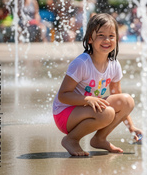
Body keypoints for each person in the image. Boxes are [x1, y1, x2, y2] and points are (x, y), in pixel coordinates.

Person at [52, 13, 142, 156]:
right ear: (89, 39)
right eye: (101, 35)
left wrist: (131, 127)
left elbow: (117, 96)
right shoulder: (81, 63)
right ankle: (71, 139)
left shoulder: (114, 65)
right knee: (107, 112)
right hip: (65, 114)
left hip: (88, 109)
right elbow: (63, 96)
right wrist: (87, 99)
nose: (107, 40)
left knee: (126, 101)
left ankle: (100, 139)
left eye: (111, 36)